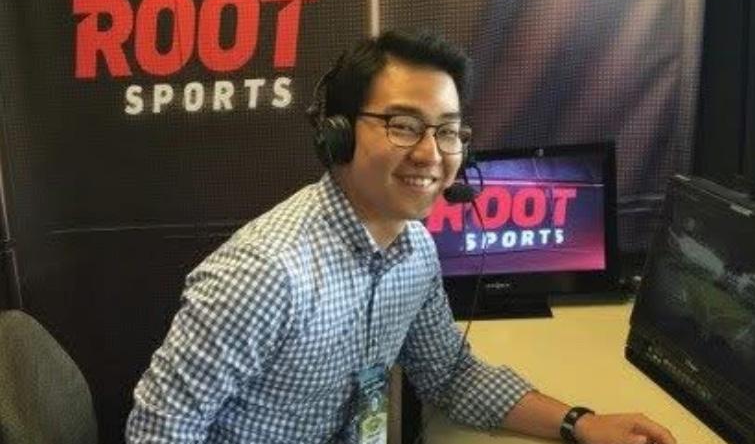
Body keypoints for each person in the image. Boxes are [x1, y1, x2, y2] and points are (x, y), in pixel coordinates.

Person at [126, 30, 676, 444]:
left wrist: (580, 423)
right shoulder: (266, 271)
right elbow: (160, 429)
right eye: (404, 126)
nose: (431, 154)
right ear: (337, 133)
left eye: (448, 131)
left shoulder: (415, 249)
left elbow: (450, 374)